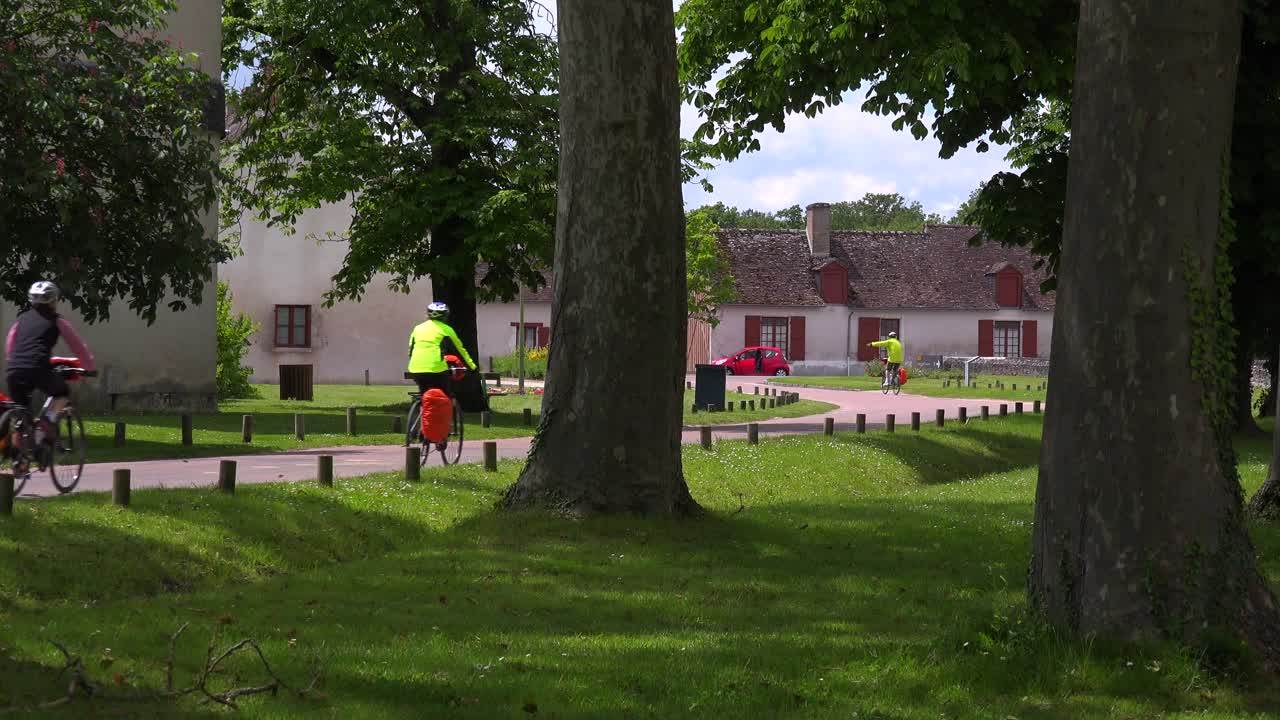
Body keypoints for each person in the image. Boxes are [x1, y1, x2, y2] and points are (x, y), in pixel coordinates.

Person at [4, 281, 96, 439]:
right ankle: (45, 425)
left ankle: (19, 460)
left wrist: (15, 363)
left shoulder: (21, 321)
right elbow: (77, 346)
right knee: (62, 392)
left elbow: (10, 344)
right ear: (54, 300)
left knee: (21, 415)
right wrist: (89, 367)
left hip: (13, 370)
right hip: (37, 368)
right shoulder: (57, 321)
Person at [407, 301, 477, 394]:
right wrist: (472, 368)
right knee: (445, 394)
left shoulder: (417, 328)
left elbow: (410, 351)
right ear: (445, 315)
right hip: (437, 368)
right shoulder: (447, 330)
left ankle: (421, 407)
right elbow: (460, 351)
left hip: (415, 368)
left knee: (424, 395)